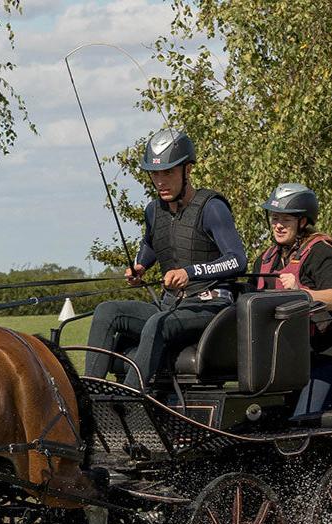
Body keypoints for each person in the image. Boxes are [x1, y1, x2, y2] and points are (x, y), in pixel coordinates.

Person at [85, 128, 247, 389]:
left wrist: (189, 273)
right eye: (155, 173)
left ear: (187, 170)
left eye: (168, 172)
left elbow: (237, 260)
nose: (160, 181)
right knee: (107, 311)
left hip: (210, 307)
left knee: (157, 323)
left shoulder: (212, 207)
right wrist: (139, 265)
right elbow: (151, 243)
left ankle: (129, 399)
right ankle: (91, 393)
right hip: (170, 305)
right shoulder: (154, 210)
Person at [252, 183, 332, 417]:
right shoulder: (265, 260)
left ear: (303, 222)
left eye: (285, 220)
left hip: (322, 357)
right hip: (281, 363)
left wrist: (303, 293)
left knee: (301, 422)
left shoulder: (321, 253)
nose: (278, 225)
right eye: (274, 218)